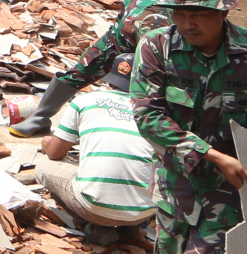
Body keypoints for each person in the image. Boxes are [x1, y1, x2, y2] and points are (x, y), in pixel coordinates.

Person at [130, 0, 247, 254]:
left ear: (223, 10)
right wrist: (212, 156)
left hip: (230, 188)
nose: (188, 24)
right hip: (175, 183)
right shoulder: (155, 48)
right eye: (179, 14)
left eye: (198, 14)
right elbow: (148, 117)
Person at [12, 0, 172, 136]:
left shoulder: (185, 27)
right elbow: (95, 60)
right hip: (134, 21)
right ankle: (40, 117)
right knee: (91, 63)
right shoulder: (135, 25)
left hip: (163, 36)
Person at [36, 54, 157, 245]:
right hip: (143, 213)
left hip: (94, 209)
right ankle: (128, 228)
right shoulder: (157, 112)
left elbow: (54, 153)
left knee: (43, 166)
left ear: (111, 79)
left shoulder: (85, 100)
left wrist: (47, 144)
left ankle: (95, 226)